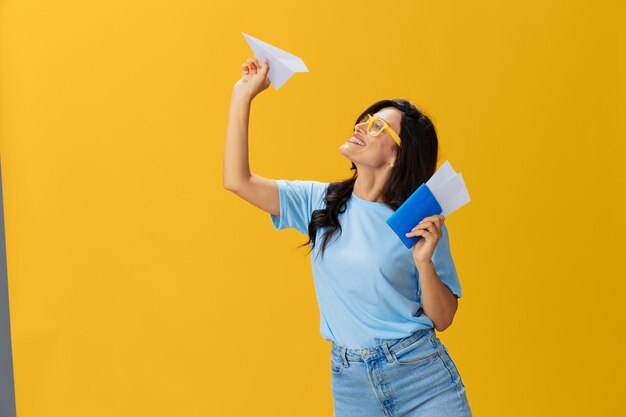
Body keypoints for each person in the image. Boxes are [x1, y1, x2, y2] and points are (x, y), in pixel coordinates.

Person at [223, 56, 473, 417]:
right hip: (351, 383)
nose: (361, 126)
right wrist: (242, 96)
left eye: (377, 128)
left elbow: (444, 318)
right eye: (366, 120)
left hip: (421, 376)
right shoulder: (320, 202)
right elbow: (237, 180)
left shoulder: (420, 222)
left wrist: (423, 263)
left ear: (396, 156)